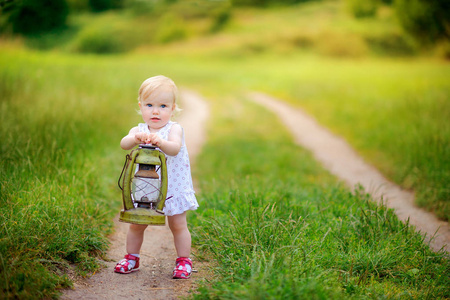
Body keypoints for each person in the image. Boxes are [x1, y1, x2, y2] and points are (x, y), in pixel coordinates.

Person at [114, 75, 198, 279]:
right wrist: (134, 138)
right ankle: (132, 257)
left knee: (177, 224)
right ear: (141, 106)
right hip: (146, 188)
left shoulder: (173, 129)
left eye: (162, 106)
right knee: (137, 223)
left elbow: (174, 149)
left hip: (173, 187)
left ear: (172, 108)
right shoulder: (139, 130)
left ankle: (183, 260)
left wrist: (160, 141)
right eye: (149, 105)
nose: (155, 111)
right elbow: (124, 144)